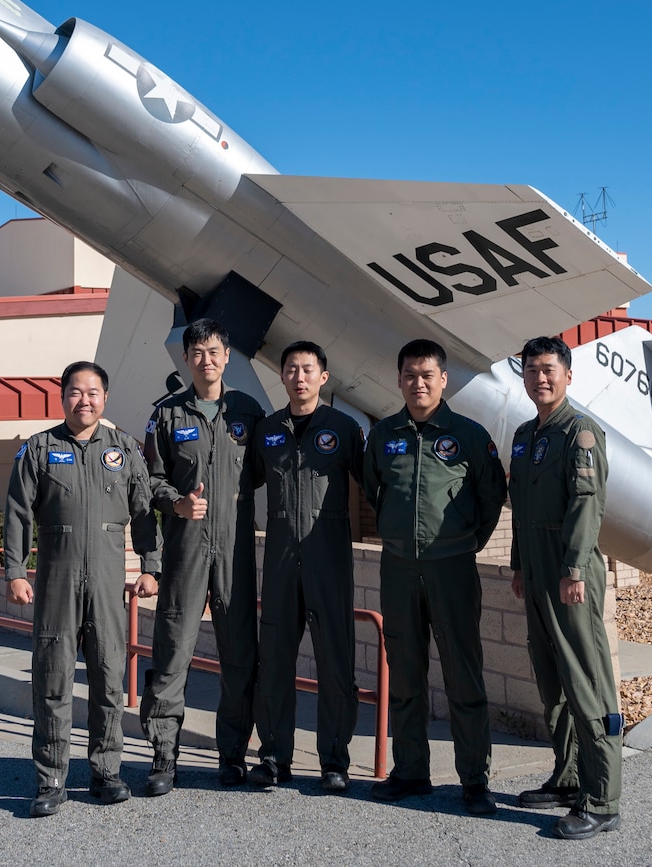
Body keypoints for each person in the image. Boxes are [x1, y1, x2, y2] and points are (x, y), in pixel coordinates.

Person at [2, 360, 165, 817]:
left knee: (109, 678)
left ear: (105, 398)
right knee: (53, 680)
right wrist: (15, 570)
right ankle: (51, 779)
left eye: (93, 392)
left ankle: (105, 773)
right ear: (63, 397)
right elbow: (17, 513)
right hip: (57, 581)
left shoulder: (125, 450)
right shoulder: (38, 449)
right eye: (76, 392)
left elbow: (145, 512)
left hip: (109, 582)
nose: (85, 400)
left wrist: (151, 566)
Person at [360, 337, 508, 815]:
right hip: (399, 568)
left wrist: (466, 543)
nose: (418, 383)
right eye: (409, 375)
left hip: (453, 568)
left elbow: (491, 496)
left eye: (427, 375)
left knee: (463, 674)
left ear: (443, 380)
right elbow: (373, 489)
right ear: (398, 379)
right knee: (404, 673)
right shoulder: (384, 435)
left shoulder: (467, 434)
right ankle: (411, 771)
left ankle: (474, 778)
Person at [138, 318, 267, 792]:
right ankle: (163, 756)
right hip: (185, 549)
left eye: (214, 351)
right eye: (197, 352)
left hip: (234, 547)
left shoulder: (249, 412)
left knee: (239, 655)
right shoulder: (167, 415)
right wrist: (177, 502)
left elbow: (257, 473)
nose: (206, 360)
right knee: (173, 651)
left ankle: (232, 755)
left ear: (227, 356)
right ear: (187, 358)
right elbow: (148, 480)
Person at [507, 335, 623, 839]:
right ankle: (569, 775)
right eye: (532, 370)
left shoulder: (581, 433)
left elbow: (587, 507)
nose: (540, 378)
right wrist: (517, 565)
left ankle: (602, 798)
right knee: (551, 679)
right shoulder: (525, 435)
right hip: (534, 570)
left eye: (549, 369)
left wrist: (573, 570)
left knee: (586, 681)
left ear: (568, 375)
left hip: (567, 573)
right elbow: (521, 508)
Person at [245, 340, 365, 792]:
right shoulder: (267, 429)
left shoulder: (344, 428)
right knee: (274, 662)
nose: (299, 376)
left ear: (323, 377)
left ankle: (334, 761)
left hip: (328, 558)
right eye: (291, 369)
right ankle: (274, 757)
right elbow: (244, 481)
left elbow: (374, 484)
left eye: (308, 369)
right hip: (279, 560)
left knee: (336, 663)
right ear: (282, 376)